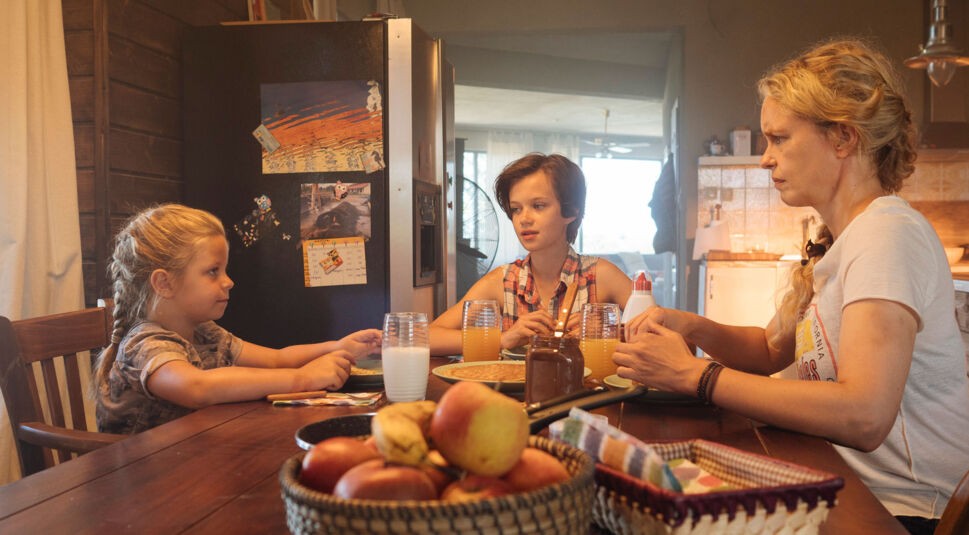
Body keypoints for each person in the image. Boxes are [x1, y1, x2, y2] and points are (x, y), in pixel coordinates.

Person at [618, 38, 969, 534]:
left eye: (779, 139)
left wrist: (696, 377)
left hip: (905, 510)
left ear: (843, 138)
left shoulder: (887, 234)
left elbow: (864, 416)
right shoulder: (838, 241)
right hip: (843, 478)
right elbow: (767, 349)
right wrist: (690, 326)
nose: (766, 159)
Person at [95, 204, 381, 434]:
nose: (229, 281)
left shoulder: (205, 332)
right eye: (212, 271)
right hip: (146, 481)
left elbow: (277, 359)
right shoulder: (145, 344)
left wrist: (337, 347)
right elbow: (198, 388)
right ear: (164, 283)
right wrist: (303, 378)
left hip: (194, 457)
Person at [429, 153, 632, 355]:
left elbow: (658, 330)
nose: (524, 219)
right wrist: (503, 338)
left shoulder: (600, 275)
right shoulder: (503, 281)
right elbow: (429, 336)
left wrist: (610, 334)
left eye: (538, 206)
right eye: (516, 209)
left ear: (571, 211)